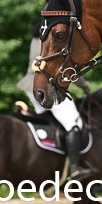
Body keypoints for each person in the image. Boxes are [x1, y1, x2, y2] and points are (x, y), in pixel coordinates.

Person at [17, 30, 90, 180]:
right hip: (46, 87)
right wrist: (84, 86)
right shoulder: (55, 36)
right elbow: (68, 67)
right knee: (74, 124)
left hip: (32, 87)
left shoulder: (37, 36)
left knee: (54, 121)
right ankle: (75, 169)